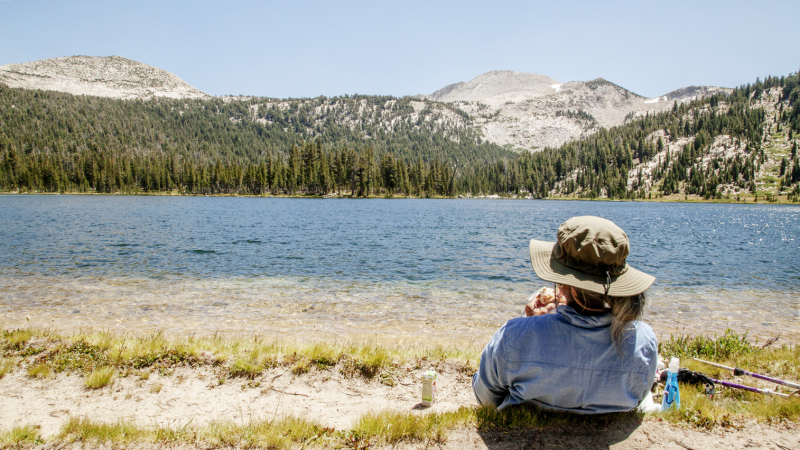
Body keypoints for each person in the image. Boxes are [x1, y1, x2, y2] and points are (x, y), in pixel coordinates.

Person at [472, 216, 658, 413]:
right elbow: (638, 397)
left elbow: (485, 398)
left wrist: (532, 326)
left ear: (569, 286)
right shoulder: (642, 340)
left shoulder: (513, 336)